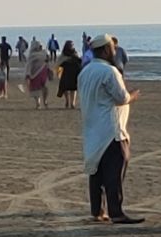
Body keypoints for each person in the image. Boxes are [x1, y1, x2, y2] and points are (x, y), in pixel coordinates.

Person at [78, 33, 144, 224]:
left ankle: (97, 210)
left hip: (93, 127)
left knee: (96, 171)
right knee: (115, 171)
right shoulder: (109, 72)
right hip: (111, 129)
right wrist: (133, 96)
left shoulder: (86, 71)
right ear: (106, 49)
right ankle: (116, 212)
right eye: (113, 49)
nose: (115, 52)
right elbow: (121, 98)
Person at [25, 41, 50, 109]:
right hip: (34, 73)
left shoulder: (44, 53)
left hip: (43, 71)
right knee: (35, 88)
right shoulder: (31, 55)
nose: (40, 47)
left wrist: (48, 67)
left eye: (41, 46)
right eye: (39, 46)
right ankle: (38, 103)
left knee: (45, 87)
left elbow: (47, 61)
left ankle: (45, 101)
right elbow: (29, 65)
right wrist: (28, 73)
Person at [56, 40, 81, 108]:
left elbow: (78, 62)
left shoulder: (75, 53)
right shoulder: (63, 54)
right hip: (65, 73)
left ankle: (72, 103)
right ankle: (67, 100)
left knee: (73, 88)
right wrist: (58, 73)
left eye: (72, 45)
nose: (72, 46)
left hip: (73, 73)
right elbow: (59, 63)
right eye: (70, 45)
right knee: (64, 88)